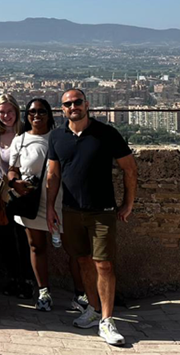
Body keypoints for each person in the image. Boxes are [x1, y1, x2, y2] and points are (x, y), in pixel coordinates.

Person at [47, 89, 137, 346]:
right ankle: (94, 310)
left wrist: (128, 203)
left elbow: (129, 168)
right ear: (62, 109)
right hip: (71, 210)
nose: (73, 107)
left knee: (104, 264)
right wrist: (51, 207)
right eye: (67, 104)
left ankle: (107, 321)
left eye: (77, 102)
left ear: (87, 105)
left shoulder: (106, 133)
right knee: (83, 260)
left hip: (102, 211)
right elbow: (53, 176)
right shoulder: (57, 137)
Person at [8, 98, 87, 312]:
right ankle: (43, 291)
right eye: (32, 111)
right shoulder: (20, 140)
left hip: (62, 201)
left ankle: (81, 293)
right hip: (32, 202)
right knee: (36, 246)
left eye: (41, 111)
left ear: (49, 115)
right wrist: (15, 182)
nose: (36, 115)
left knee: (74, 250)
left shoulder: (61, 137)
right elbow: (12, 169)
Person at [0, 94, 33, 299]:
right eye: (2, 112)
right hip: (1, 195)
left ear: (16, 111)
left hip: (20, 194)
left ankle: (26, 280)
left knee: (23, 239)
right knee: (5, 239)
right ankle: (13, 278)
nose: (6, 116)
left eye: (9, 111)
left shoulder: (26, 134)